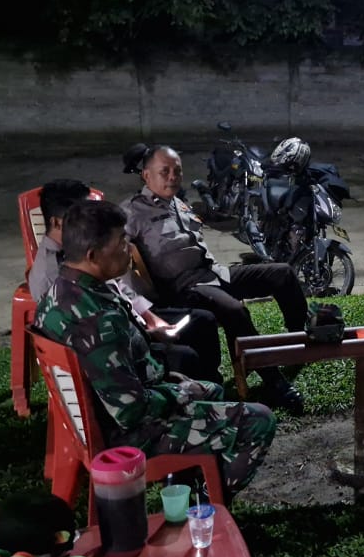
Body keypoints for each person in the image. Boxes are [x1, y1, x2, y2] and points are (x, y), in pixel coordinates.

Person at [34, 199, 276, 496]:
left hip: (103, 417)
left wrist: (170, 382)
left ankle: (187, 483)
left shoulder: (59, 292)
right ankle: (205, 505)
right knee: (258, 420)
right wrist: (179, 392)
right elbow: (131, 411)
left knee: (211, 389)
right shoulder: (97, 319)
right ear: (92, 255)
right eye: (121, 242)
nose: (128, 248)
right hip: (129, 437)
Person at [119, 143, 305, 413]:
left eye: (177, 171)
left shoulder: (177, 202)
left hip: (214, 273)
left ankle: (299, 342)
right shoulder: (132, 212)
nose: (172, 177)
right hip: (184, 288)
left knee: (282, 274)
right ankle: (273, 382)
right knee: (234, 310)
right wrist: (141, 306)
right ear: (146, 175)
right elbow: (115, 260)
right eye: (164, 171)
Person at [28, 179, 224, 385]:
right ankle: (203, 393)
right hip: (115, 347)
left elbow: (117, 287)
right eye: (81, 216)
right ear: (57, 223)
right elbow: (91, 341)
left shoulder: (81, 252)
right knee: (185, 357)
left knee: (202, 321)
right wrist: (146, 333)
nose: (92, 221)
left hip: (129, 321)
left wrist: (149, 318)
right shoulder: (53, 276)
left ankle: (212, 386)